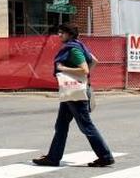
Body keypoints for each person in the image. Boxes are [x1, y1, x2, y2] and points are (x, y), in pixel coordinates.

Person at [32, 23, 115, 168]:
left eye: (62, 33)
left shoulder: (73, 49)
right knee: (61, 125)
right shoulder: (78, 45)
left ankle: (105, 156)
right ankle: (53, 157)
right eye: (59, 32)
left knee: (86, 126)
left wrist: (64, 68)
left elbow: (84, 70)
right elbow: (94, 61)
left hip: (75, 94)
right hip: (70, 93)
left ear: (69, 35)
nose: (59, 35)